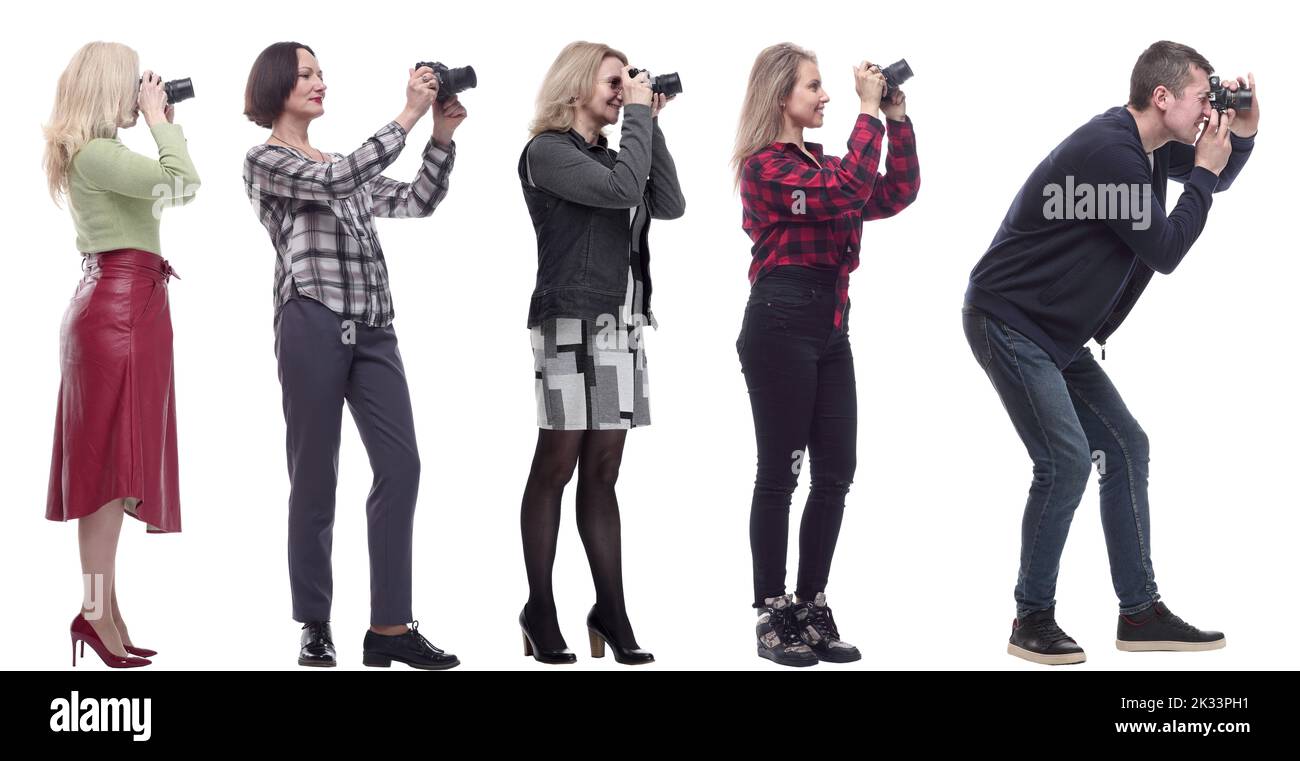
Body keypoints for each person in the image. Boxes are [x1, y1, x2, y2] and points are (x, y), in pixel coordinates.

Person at [962, 40, 1257, 665]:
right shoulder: (1111, 152)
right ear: (1162, 97)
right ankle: (1031, 619)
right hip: (1008, 320)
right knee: (1066, 461)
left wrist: (1245, 135)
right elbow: (1167, 248)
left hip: (1054, 333)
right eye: (1203, 98)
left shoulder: (1145, 148)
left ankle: (1140, 613)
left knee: (1126, 446)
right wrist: (1203, 173)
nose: (1210, 110)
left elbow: (1216, 171)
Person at [243, 41, 466, 670]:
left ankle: (389, 628)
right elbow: (335, 182)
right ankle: (315, 624)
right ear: (276, 85)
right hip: (311, 320)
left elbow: (417, 200)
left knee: (402, 467)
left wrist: (441, 136)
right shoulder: (265, 161)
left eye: (320, 73)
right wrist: (407, 114)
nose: (319, 82)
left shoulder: (345, 162)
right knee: (315, 476)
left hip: (374, 329)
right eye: (306, 74)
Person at [733, 43, 920, 667]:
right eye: (813, 87)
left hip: (831, 326)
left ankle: (810, 605)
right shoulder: (764, 167)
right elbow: (842, 193)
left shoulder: (829, 164)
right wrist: (868, 112)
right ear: (779, 95)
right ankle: (771, 611)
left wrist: (895, 117)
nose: (826, 96)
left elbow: (895, 192)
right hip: (781, 320)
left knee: (836, 471)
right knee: (779, 472)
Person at [516, 40, 684, 665]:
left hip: (620, 324)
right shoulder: (547, 153)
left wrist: (651, 121)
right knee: (557, 464)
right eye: (613, 82)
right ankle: (540, 607)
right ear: (577, 85)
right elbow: (619, 193)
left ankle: (610, 610)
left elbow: (667, 203)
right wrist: (638, 116)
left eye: (627, 83)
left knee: (605, 473)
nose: (622, 90)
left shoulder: (620, 153)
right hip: (566, 322)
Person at [44, 41, 201, 668]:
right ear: (111, 87)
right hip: (119, 316)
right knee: (105, 479)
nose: (145, 89)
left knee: (111, 475)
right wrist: (163, 121)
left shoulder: (101, 155)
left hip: (123, 309)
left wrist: (161, 123)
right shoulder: (99, 155)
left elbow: (165, 191)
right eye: (134, 82)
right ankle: (92, 610)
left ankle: (102, 609)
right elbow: (184, 185)